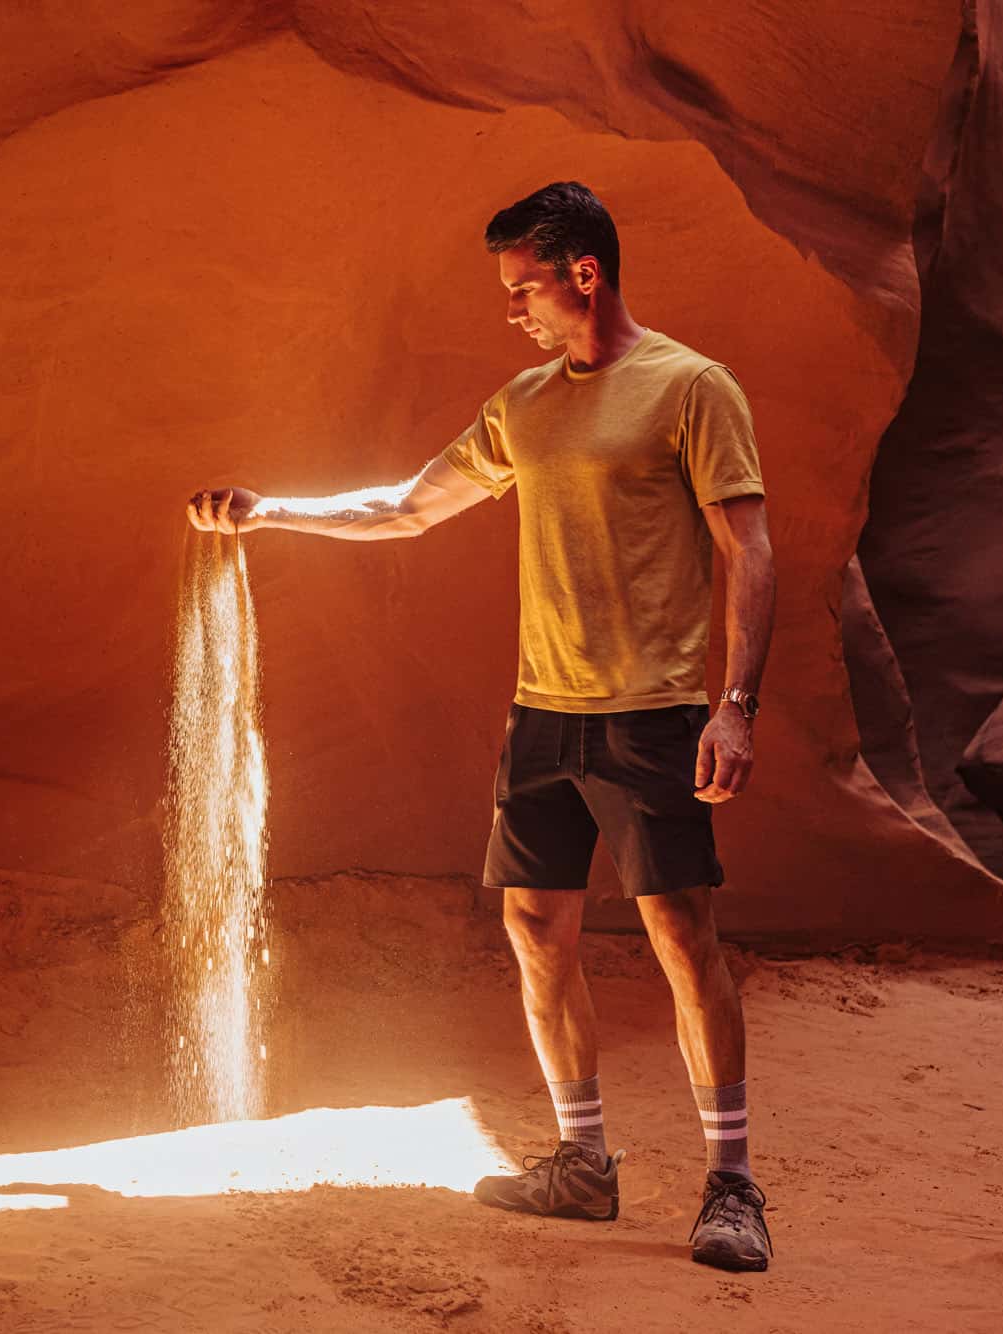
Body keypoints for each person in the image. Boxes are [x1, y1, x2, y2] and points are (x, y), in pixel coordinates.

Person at [186, 181, 776, 1272]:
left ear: (582, 274)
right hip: (540, 719)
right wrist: (275, 510)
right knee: (534, 930)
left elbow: (746, 546)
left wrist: (735, 704)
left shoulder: (691, 388)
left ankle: (731, 1183)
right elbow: (407, 504)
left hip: (653, 717)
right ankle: (581, 1164)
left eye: (523, 289)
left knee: (681, 939)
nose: (513, 311)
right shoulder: (522, 403)